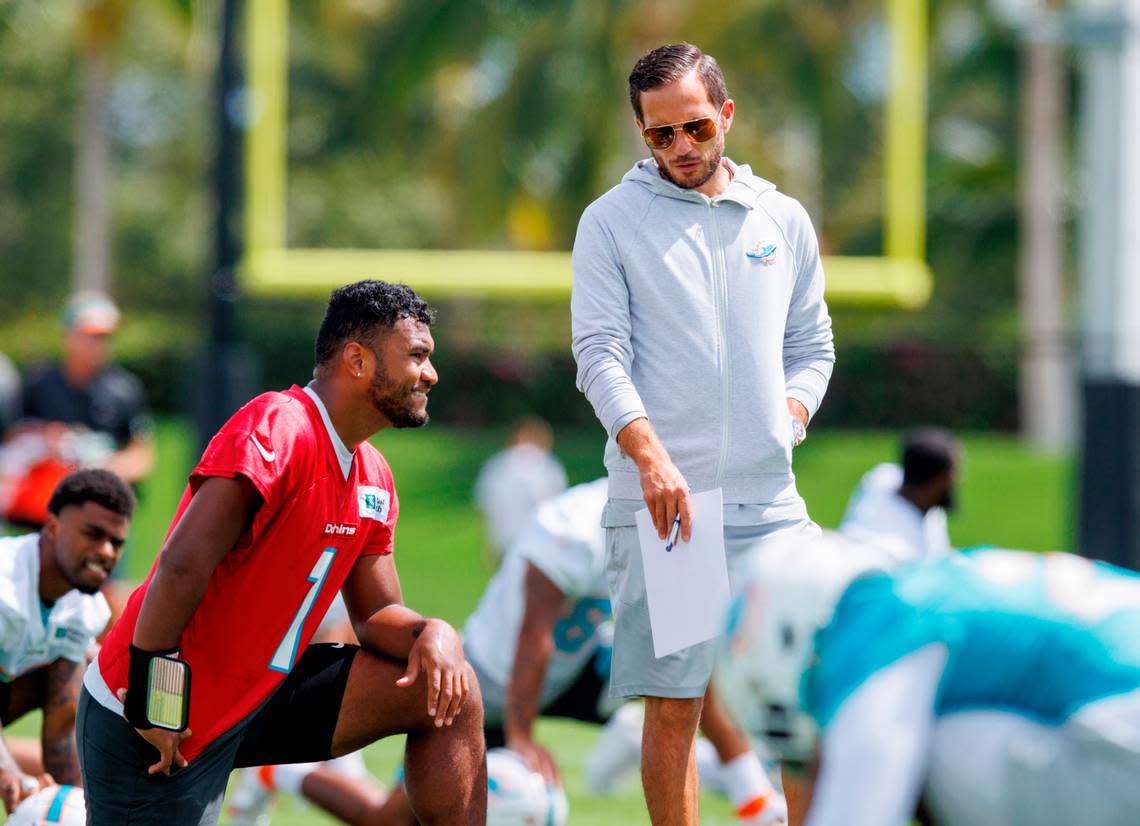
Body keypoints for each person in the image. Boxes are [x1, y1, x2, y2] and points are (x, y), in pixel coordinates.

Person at [76, 280, 486, 825]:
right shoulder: (280, 425)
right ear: (358, 361)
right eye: (417, 356)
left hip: (264, 692)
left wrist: (435, 633)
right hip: (161, 711)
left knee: (448, 689)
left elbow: (375, 618)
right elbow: (181, 562)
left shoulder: (374, 476)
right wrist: (159, 699)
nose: (430, 374)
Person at [570, 42, 834, 825]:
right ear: (641, 134)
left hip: (771, 509)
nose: (681, 148)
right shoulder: (611, 223)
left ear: (724, 116)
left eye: (694, 128)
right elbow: (600, 353)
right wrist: (650, 459)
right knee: (677, 704)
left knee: (800, 701)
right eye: (660, 135)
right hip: (672, 514)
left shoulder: (780, 219)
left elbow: (812, 346)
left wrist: (789, 415)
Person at [233, 478, 788, 825]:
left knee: (683, 671)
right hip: (496, 684)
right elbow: (534, 638)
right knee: (391, 820)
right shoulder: (568, 528)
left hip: (576, 669)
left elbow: (688, 649)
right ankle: (282, 776)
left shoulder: (679, 517)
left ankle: (753, 799)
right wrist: (522, 737)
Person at [719, 534, 1140, 826]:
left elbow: (861, 811)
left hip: (1121, 729)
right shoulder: (930, 583)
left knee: (926, 747)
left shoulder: (873, 635)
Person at [0, 469, 134, 814]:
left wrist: (73, 806)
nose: (105, 551)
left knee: (87, 671)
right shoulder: (4, 582)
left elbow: (62, 724)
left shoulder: (86, 608)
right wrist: (10, 774)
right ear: (54, 526)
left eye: (116, 542)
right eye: (93, 534)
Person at [19, 292, 154, 487]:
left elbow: (141, 453)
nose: (98, 344)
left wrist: (104, 468)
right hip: (43, 499)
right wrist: (44, 439)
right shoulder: (39, 382)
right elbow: (14, 436)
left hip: (99, 500)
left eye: (104, 337)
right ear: (68, 334)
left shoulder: (124, 389)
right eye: (90, 335)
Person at [840, 427, 960, 561]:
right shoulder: (897, 550)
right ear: (936, 483)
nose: (958, 479)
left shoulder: (881, 478)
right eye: (952, 474)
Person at [473, 416, 567, 560]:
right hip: (538, 541)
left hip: (503, 541)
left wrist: (489, 544)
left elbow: (485, 505)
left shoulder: (496, 464)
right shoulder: (547, 465)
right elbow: (556, 506)